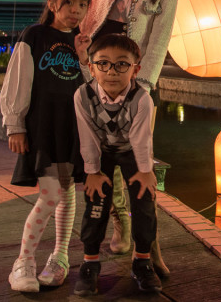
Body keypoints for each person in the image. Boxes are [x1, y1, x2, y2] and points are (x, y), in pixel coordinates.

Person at [18, 0, 177, 270]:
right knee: (98, 158)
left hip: (130, 74)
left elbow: (160, 35)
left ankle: (134, 233)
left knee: (134, 158)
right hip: (91, 69)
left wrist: (143, 84)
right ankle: (108, 231)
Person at [0, 0, 91, 292]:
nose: (75, 11)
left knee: (65, 193)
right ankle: (23, 262)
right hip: (43, 128)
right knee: (51, 194)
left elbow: (91, 89)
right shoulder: (34, 35)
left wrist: (83, 58)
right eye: (69, 2)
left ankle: (60, 257)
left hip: (70, 130)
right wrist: (16, 124)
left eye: (82, 4)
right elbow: (18, 80)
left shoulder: (81, 41)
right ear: (52, 2)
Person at [72, 33, 162, 295]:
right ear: (91, 67)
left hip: (132, 151)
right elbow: (87, 136)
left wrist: (145, 172)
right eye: (103, 63)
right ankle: (90, 264)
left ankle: (142, 260)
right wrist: (93, 172)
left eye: (122, 64)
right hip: (101, 151)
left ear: (136, 68)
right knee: (96, 201)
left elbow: (141, 139)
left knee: (145, 202)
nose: (112, 71)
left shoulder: (141, 98)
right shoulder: (82, 96)